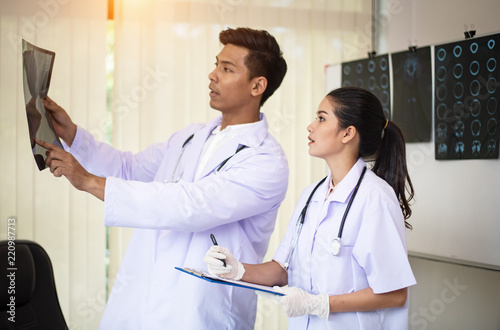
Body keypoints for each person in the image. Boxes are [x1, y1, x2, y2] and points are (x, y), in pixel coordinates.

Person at [37, 27, 289, 329]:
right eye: (216, 64)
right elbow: (129, 169)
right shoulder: (190, 137)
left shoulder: (266, 160)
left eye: (226, 68)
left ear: (257, 86)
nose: (212, 75)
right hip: (141, 301)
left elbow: (191, 206)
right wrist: (73, 135)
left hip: (201, 312)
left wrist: (89, 181)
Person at [204, 86, 417, 329]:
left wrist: (321, 304)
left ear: (347, 133)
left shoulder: (375, 198)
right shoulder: (312, 195)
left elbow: (394, 293)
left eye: (321, 118)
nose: (310, 126)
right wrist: (238, 270)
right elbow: (282, 270)